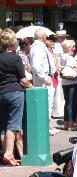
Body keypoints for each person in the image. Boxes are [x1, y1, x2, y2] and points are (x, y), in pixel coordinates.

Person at [0, 28, 31, 166]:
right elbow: (23, 80)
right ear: (13, 42)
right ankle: (9, 153)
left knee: (3, 125)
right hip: (15, 92)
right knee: (13, 125)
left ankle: (7, 153)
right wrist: (31, 86)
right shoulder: (15, 58)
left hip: (1, 92)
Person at [29, 28, 56, 133]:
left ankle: (46, 124)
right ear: (44, 37)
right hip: (43, 79)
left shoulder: (39, 47)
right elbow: (36, 65)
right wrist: (44, 78)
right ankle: (44, 126)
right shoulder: (37, 48)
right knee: (45, 103)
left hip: (45, 77)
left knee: (47, 102)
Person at [60, 39, 77, 131]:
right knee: (72, 103)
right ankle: (71, 124)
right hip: (72, 82)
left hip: (65, 82)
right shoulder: (69, 58)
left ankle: (66, 123)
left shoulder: (62, 56)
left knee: (67, 103)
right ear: (69, 47)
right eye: (73, 46)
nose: (74, 48)